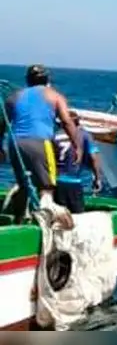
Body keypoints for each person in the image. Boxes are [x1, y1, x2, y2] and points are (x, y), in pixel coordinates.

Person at [0, 65, 82, 227]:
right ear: (47, 80)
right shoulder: (54, 96)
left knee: (23, 184)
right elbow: (66, 121)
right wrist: (77, 145)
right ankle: (45, 226)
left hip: (15, 143)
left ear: (28, 80)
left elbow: (2, 125)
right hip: (39, 142)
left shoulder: (14, 97)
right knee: (47, 186)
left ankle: (18, 222)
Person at [53, 111, 102, 214]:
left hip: (56, 182)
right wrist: (97, 178)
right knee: (77, 216)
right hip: (73, 182)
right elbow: (93, 158)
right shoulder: (85, 135)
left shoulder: (55, 135)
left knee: (59, 216)